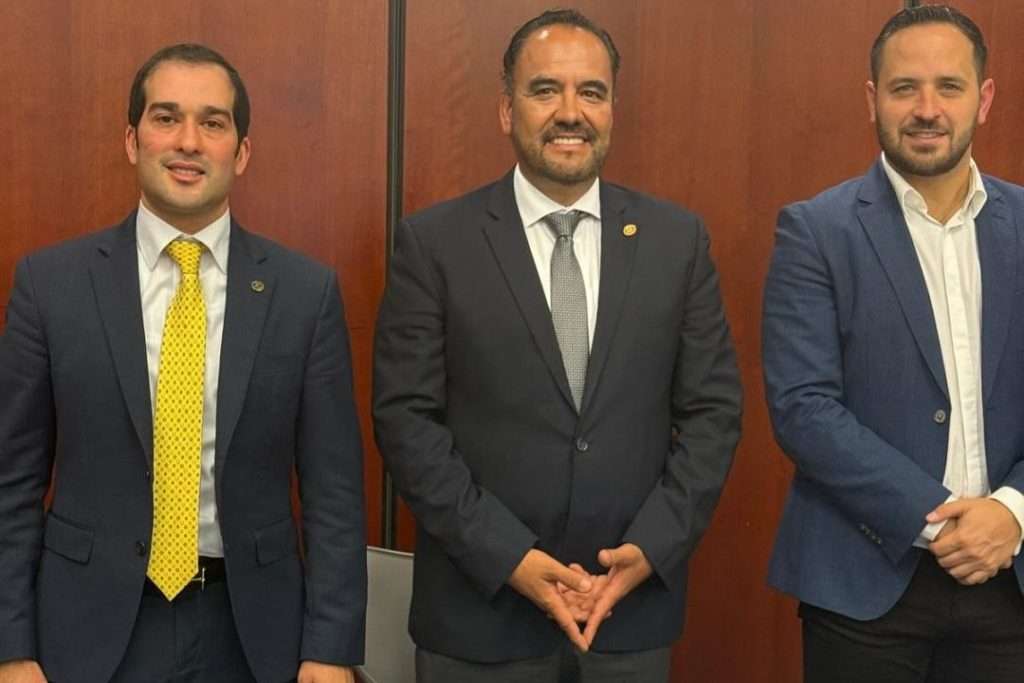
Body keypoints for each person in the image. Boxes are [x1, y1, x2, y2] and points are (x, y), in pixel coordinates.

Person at [373, 9, 742, 682]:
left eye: (591, 92)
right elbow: (405, 422)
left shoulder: (677, 242)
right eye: (545, 90)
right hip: (479, 621)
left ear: (612, 110)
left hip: (627, 619)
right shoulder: (435, 244)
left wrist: (649, 547)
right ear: (506, 110)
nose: (570, 112)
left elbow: (713, 414)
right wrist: (508, 556)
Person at [0, 44, 366, 683]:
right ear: (132, 141)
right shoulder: (50, 285)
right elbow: (12, 482)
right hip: (85, 632)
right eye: (166, 118)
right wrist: (10, 647)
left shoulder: (305, 294)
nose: (188, 141)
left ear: (241, 152)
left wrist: (331, 650)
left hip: (252, 634)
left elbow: (333, 491)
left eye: (213, 123)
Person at [763, 5, 1024, 682]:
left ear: (984, 99)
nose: (927, 109)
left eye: (949, 86)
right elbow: (803, 408)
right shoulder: (815, 231)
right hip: (863, 582)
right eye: (906, 88)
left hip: (1012, 578)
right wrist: (939, 523)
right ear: (873, 99)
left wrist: (1012, 511)